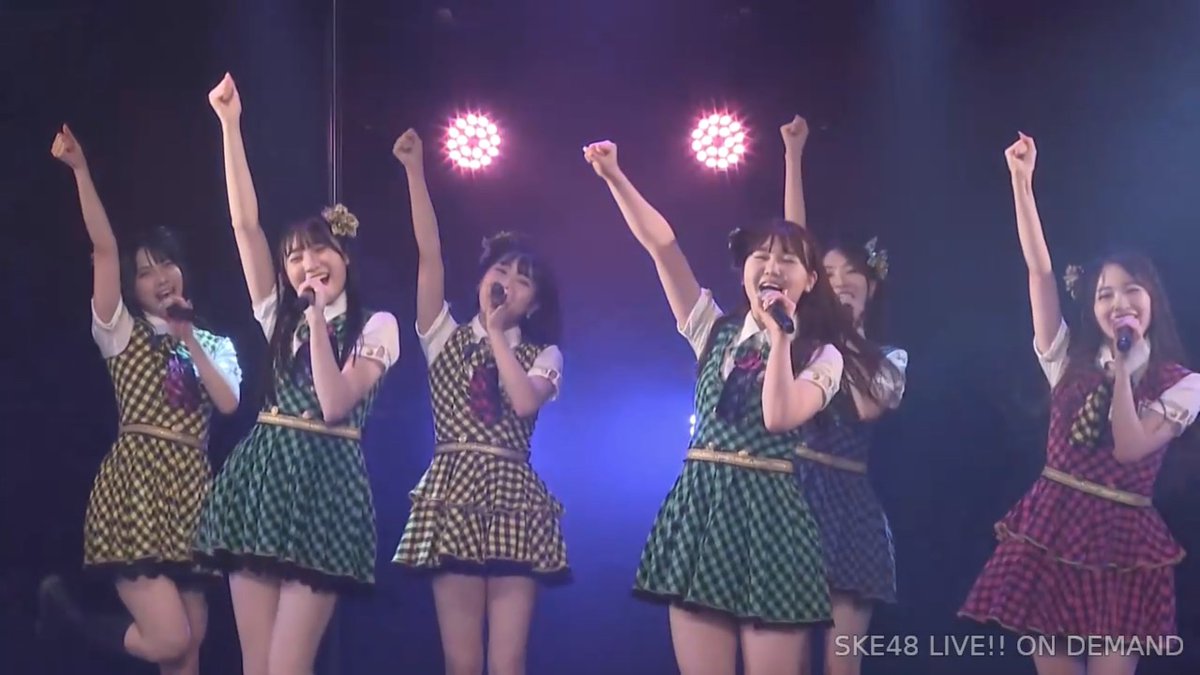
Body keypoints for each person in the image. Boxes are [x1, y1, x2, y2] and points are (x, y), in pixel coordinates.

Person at [583, 138, 883, 675]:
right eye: (761, 255)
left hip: (773, 519)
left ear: (810, 281)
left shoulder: (823, 355)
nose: (772, 264)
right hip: (702, 508)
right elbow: (663, 247)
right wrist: (615, 177)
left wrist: (781, 337)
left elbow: (778, 416)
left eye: (788, 259)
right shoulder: (713, 329)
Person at [958, 133, 1200, 675]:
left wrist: (1125, 372)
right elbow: (1040, 273)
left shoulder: (1183, 384)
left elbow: (1130, 446)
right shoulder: (1067, 360)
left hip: (1125, 543)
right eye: (1104, 294)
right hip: (1053, 528)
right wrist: (1022, 184)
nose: (1119, 302)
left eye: (1131, 290)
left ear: (1152, 299)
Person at [193, 73, 400, 675]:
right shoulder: (276, 316)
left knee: (287, 666)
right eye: (295, 256)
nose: (307, 264)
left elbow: (334, 404)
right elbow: (245, 227)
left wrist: (315, 320)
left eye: (318, 250)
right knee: (256, 666)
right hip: (262, 479)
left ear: (344, 256)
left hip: (326, 486)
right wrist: (230, 125)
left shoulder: (375, 325)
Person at [37, 124, 242, 675]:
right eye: (145, 272)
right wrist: (81, 171)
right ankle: (71, 619)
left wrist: (189, 338)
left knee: (190, 650)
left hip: (192, 494)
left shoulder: (213, 342)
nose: (159, 277)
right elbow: (105, 249)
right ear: (132, 288)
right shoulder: (121, 331)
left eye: (165, 264)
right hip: (135, 488)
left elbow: (227, 403)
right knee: (170, 640)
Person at [391, 128, 568, 675]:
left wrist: (495, 332)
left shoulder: (544, 353)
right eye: (501, 271)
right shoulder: (443, 335)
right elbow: (429, 256)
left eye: (523, 281)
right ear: (482, 277)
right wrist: (415, 172)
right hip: (454, 491)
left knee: (507, 661)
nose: (508, 282)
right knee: (462, 660)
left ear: (534, 304)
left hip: (513, 494)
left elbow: (523, 403)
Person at [780, 115, 907, 675]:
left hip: (850, 504)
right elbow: (792, 240)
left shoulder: (889, 358)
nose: (840, 280)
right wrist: (793, 157)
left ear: (871, 286)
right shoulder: (797, 345)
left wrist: (845, 335)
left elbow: (865, 406)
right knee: (781, 656)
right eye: (828, 272)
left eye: (852, 272)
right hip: (789, 492)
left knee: (842, 664)